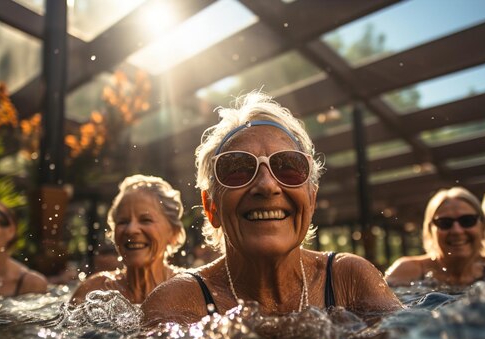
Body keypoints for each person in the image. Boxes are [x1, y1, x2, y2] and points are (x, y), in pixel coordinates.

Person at [142, 91, 402, 325]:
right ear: (211, 207)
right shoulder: (177, 302)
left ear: (311, 199)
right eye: (237, 170)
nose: (267, 186)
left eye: (288, 167)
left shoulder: (349, 279)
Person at [69, 175, 186, 305]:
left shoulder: (189, 289)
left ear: (173, 233)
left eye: (145, 220)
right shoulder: (94, 291)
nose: (131, 230)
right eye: (123, 221)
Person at [385, 187, 485, 286]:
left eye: (467, 221)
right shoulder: (407, 271)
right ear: (430, 230)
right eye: (444, 223)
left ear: (483, 227)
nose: (457, 231)